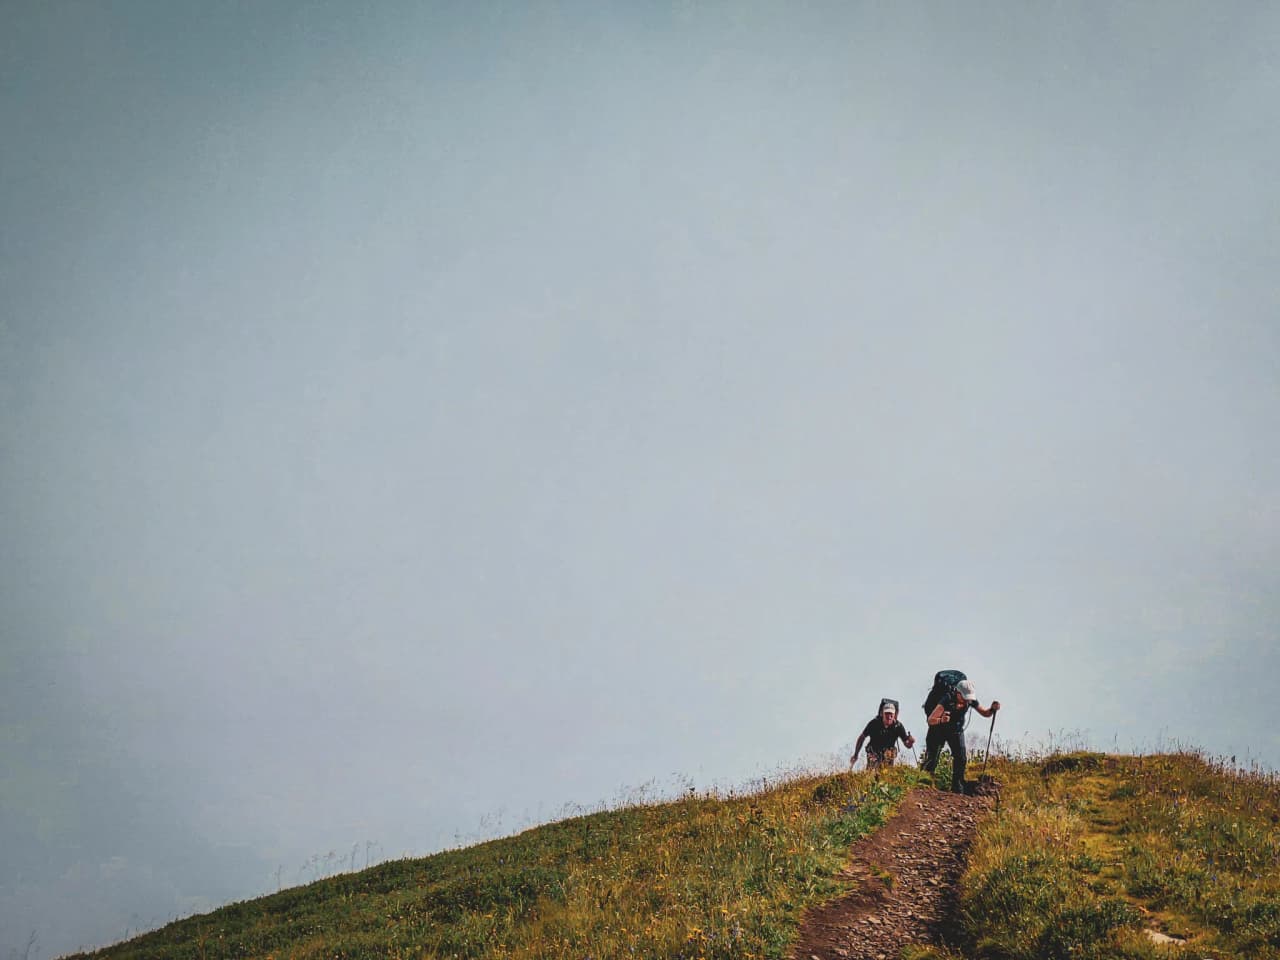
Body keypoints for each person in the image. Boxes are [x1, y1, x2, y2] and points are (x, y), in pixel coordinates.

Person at [920, 678, 1000, 793]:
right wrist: (941, 720)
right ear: (958, 693)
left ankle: (957, 787)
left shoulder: (970, 700)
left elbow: (985, 713)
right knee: (932, 757)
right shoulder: (946, 698)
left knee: (961, 758)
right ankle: (924, 784)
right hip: (938, 729)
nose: (967, 701)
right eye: (964, 697)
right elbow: (931, 720)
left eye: (969, 698)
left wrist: (992, 709)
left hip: (956, 730)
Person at [851, 699, 916, 769]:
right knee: (872, 772)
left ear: (894, 715)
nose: (889, 716)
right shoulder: (874, 723)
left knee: (887, 774)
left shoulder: (898, 726)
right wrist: (856, 754)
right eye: (887, 713)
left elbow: (907, 744)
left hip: (888, 754)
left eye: (891, 714)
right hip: (873, 752)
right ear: (882, 713)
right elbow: (862, 737)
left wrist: (911, 742)